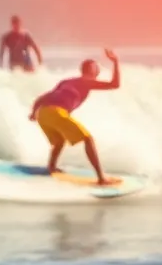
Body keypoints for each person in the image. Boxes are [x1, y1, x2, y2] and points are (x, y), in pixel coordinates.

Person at [29, 49, 122, 186]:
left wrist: (33, 113)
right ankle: (101, 178)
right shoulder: (86, 81)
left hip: (42, 113)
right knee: (88, 139)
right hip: (56, 112)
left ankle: (51, 167)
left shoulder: (66, 81)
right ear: (92, 70)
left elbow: (43, 97)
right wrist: (115, 62)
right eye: (97, 67)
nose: (99, 70)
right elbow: (115, 84)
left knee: (59, 141)